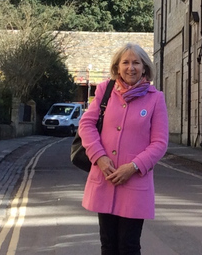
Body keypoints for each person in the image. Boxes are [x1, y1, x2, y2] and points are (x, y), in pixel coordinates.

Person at [79, 43, 169, 255]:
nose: (131, 67)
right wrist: (99, 158)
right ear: (117, 67)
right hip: (105, 179)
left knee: (128, 246)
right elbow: (86, 124)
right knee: (108, 246)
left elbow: (160, 142)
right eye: (125, 62)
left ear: (144, 68)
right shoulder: (105, 90)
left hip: (135, 183)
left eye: (136, 62)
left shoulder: (156, 99)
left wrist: (134, 166)